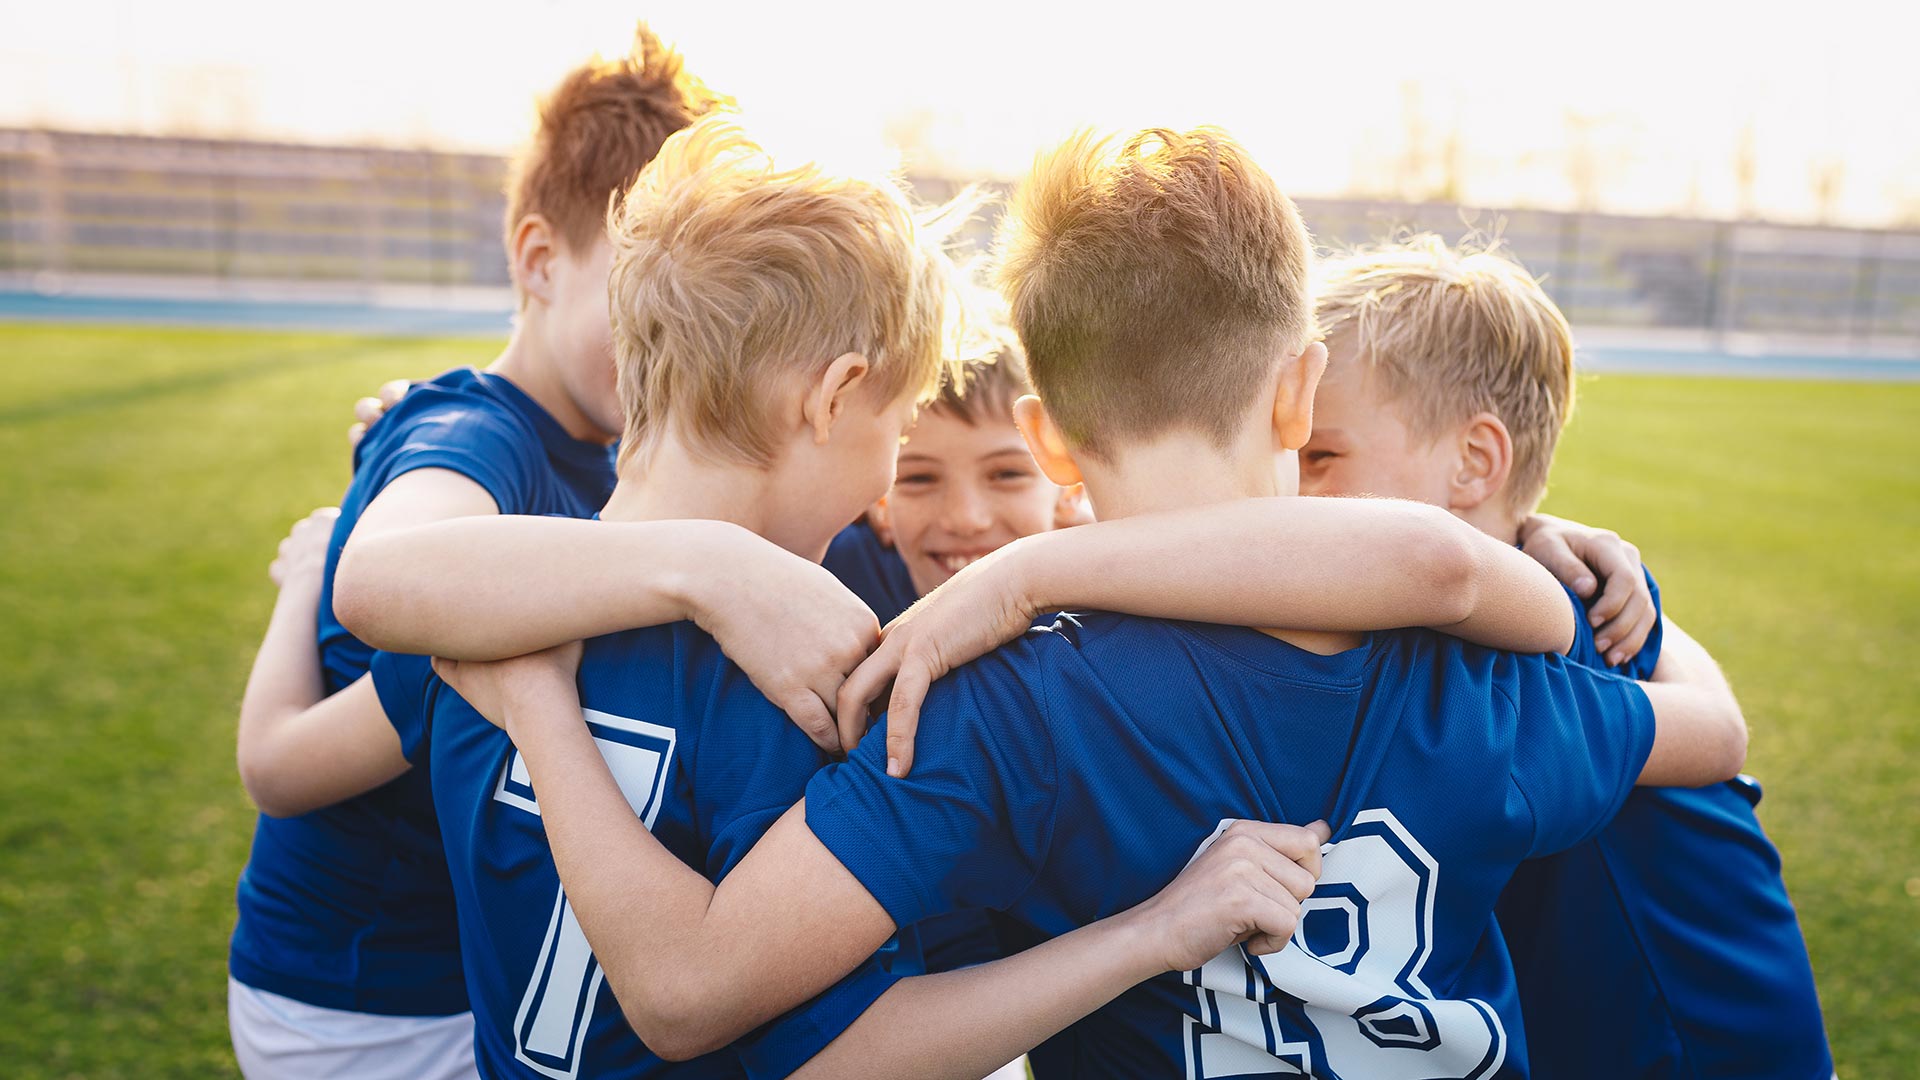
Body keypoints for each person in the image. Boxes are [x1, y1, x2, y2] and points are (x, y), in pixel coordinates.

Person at [403, 125, 1749, 1077]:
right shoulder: (1483, 680)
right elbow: (1702, 729)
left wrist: (1033, 575)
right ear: (1296, 390)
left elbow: (724, 1001)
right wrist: (1588, 572)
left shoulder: (984, 708)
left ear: (1046, 443)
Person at [225, 25, 724, 1079]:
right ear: (540, 260)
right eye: (643, 309)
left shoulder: (591, 444)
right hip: (358, 1003)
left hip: (459, 974)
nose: (674, 357)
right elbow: (288, 754)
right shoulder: (472, 439)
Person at [1299, 235, 1831, 1079]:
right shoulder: (1543, 586)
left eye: (1318, 455)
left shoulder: (1541, 639)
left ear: (1474, 462)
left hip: (1698, 1046)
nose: (1285, 489)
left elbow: (1718, 734)